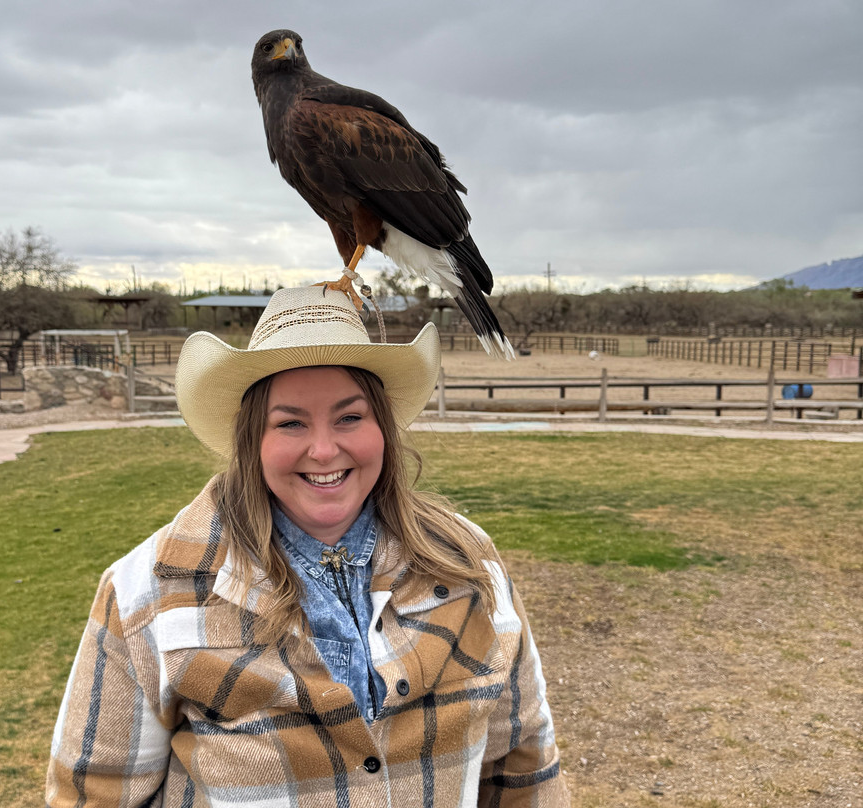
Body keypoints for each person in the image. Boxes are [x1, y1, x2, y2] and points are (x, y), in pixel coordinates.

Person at [46, 286, 569, 807]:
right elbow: (94, 794)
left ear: (382, 426)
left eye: (349, 417)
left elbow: (522, 768)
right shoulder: (147, 593)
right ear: (253, 439)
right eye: (291, 422)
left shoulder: (467, 562)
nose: (324, 450)